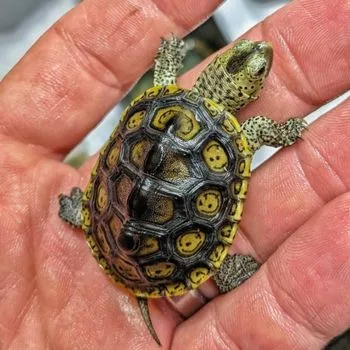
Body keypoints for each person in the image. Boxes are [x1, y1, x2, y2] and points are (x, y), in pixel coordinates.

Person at [0, 0, 349, 348]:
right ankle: (220, 271)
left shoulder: (161, 94)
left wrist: (169, 51)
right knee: (251, 132)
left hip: (108, 224)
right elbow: (259, 129)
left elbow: (165, 70)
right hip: (151, 246)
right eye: (257, 70)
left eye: (257, 71)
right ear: (249, 92)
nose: (260, 53)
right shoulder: (243, 130)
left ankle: (88, 215)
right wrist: (287, 132)